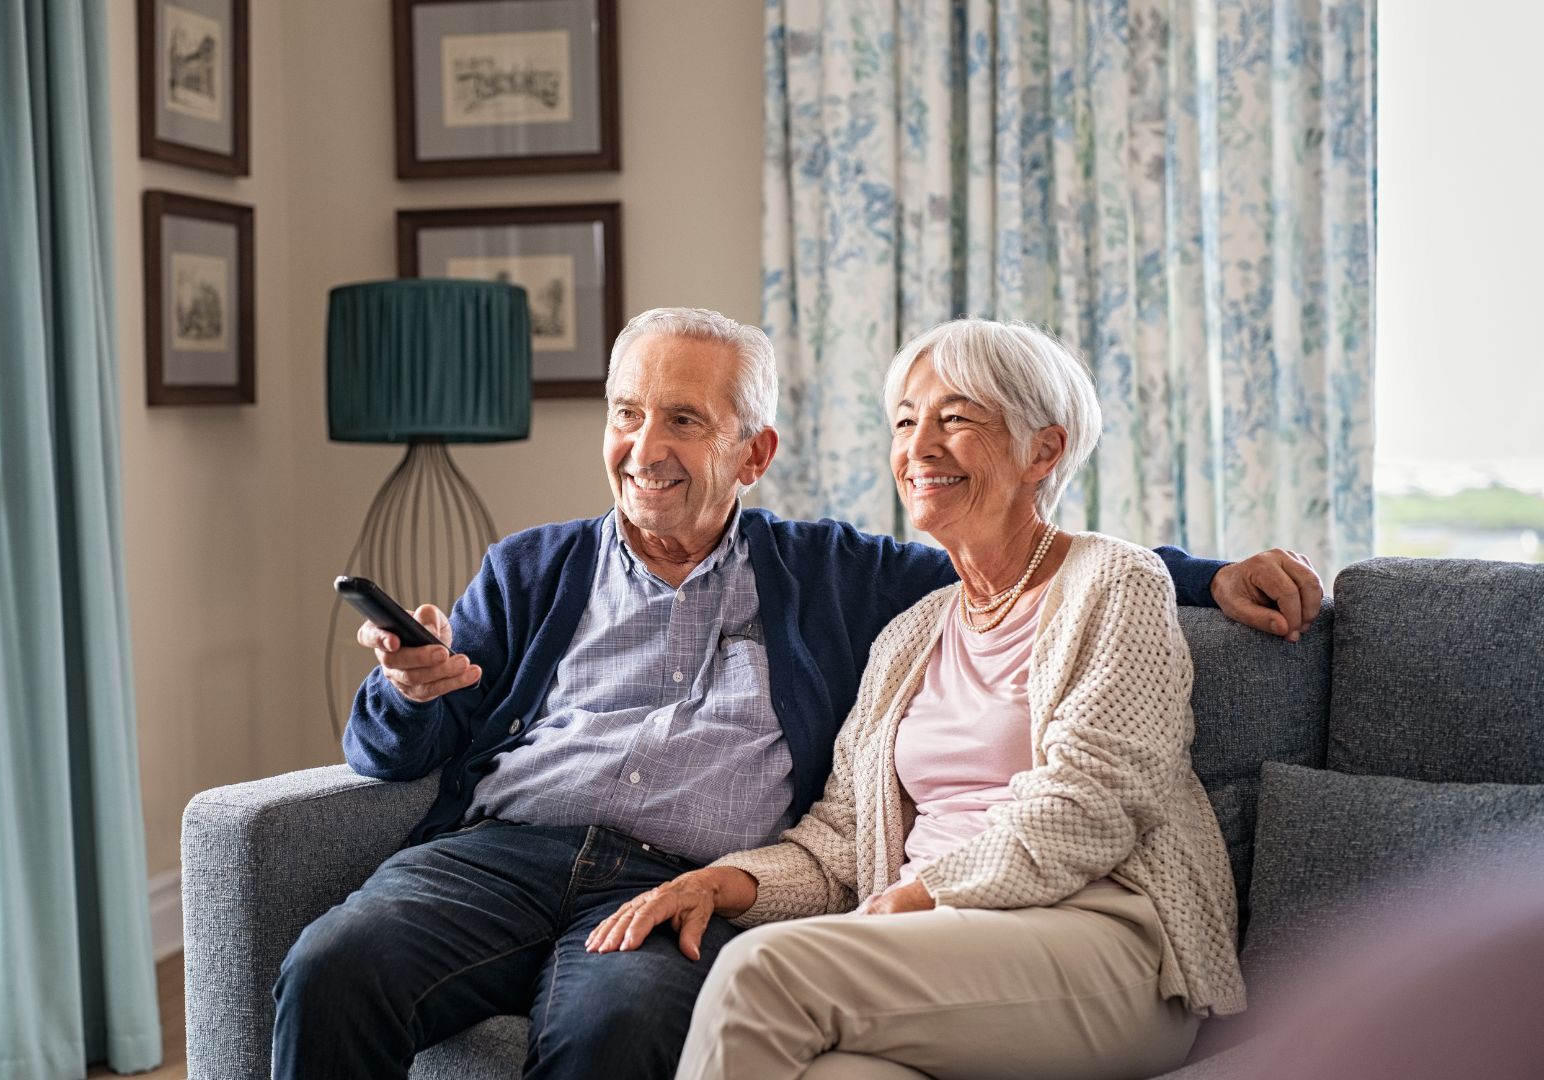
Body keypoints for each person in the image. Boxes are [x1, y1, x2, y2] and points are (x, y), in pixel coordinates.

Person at [272, 309, 1315, 1080]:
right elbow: (398, 748)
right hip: (504, 855)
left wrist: (1210, 577)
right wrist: (408, 689)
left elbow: (1041, 560)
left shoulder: (848, 578)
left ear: (754, 453)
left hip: (687, 875)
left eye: (683, 419)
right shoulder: (531, 569)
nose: (645, 449)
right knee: (335, 962)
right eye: (628, 414)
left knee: (623, 1028)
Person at [587, 318, 1247, 1080]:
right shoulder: (910, 636)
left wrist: (920, 894)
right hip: (937, 954)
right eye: (905, 421)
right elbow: (840, 843)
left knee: (761, 973)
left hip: (1101, 944)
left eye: (956, 418)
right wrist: (718, 882)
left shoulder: (1115, 583)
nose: (920, 446)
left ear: (1045, 449)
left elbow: (1092, 805)